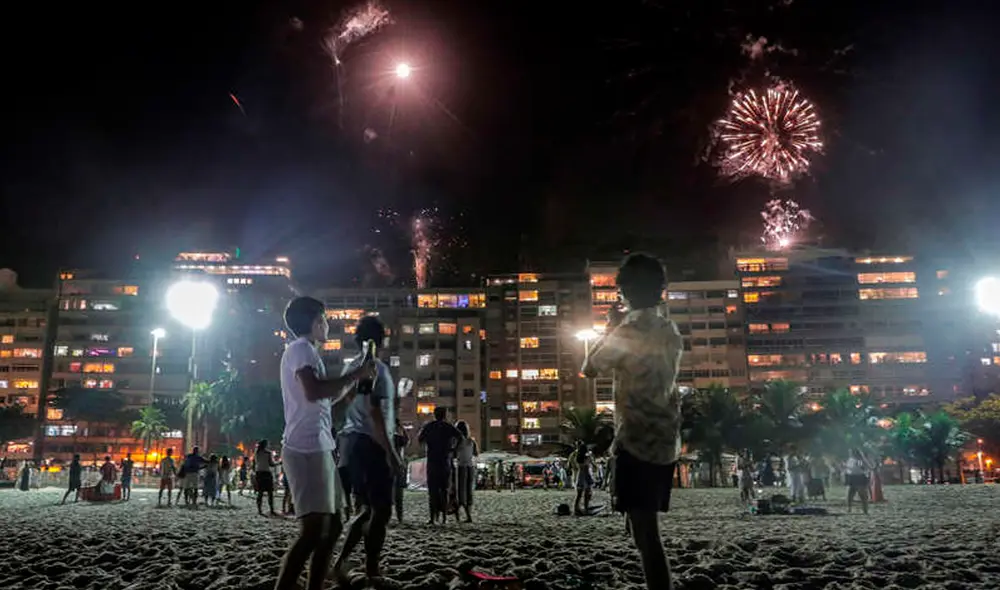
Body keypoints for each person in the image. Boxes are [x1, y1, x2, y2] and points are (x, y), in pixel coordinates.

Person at [583, 253, 683, 590]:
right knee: (645, 528)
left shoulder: (628, 330)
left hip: (636, 440)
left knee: (646, 536)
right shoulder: (670, 330)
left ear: (624, 292)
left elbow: (589, 367)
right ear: (661, 290)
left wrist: (611, 328)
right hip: (666, 441)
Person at [274, 296, 371, 590]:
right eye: (325, 319)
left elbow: (323, 401)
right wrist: (355, 373)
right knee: (313, 531)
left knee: (334, 525)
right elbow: (314, 391)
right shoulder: (301, 349)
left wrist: (354, 383)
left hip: (319, 446)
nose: (328, 324)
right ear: (316, 323)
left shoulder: (305, 351)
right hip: (304, 449)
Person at [334, 316, 401, 586]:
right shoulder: (377, 369)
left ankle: (341, 562)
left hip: (353, 443)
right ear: (380, 340)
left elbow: (347, 403)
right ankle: (372, 567)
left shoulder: (351, 367)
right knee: (381, 511)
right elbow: (375, 413)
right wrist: (391, 453)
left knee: (365, 510)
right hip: (372, 444)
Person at [418, 407, 460, 524]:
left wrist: (428, 444)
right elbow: (460, 437)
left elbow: (420, 439)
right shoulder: (448, 426)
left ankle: (433, 517)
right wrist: (453, 449)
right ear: (445, 415)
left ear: (434, 415)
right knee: (445, 490)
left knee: (432, 491)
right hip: (445, 461)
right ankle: (444, 518)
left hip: (432, 461)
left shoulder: (429, 426)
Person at [454, 420, 478, 523]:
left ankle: (459, 517)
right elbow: (476, 453)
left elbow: (454, 454)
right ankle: (469, 516)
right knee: (469, 491)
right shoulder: (471, 441)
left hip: (461, 466)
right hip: (470, 466)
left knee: (460, 491)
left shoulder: (457, 441)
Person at [255, 439, 279, 516]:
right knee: (270, 492)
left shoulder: (257, 452)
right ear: (266, 445)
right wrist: (279, 463)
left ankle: (259, 510)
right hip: (266, 473)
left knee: (260, 492)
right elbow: (271, 464)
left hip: (259, 473)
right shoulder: (268, 453)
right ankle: (271, 509)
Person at [392, 420, 409, 523]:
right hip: (398, 467)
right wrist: (402, 428)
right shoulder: (397, 438)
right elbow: (407, 440)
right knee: (399, 495)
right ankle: (400, 517)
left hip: (387, 467)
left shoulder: (386, 438)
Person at [846, 448, 870, 515]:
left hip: (859, 477)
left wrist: (861, 466)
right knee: (850, 494)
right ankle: (849, 508)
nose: (850, 453)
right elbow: (849, 468)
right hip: (852, 477)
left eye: (851, 452)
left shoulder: (860, 460)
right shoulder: (850, 459)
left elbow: (864, 468)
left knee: (862, 495)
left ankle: (865, 509)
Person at [573, 440, 594, 515]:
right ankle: (586, 508)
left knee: (579, 494)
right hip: (585, 474)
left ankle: (576, 508)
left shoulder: (577, 457)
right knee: (587, 493)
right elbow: (588, 464)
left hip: (580, 474)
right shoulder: (586, 457)